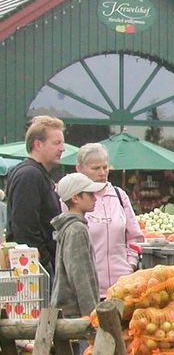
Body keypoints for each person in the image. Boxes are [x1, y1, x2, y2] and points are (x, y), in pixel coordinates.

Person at [72, 143, 144, 297]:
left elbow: (134, 237)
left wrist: (130, 264)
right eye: (96, 168)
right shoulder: (75, 199)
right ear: (80, 169)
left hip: (123, 286)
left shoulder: (119, 195)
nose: (102, 173)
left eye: (105, 167)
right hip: (89, 290)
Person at [5, 116, 65, 275]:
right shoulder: (29, 175)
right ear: (38, 144)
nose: (62, 148)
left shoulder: (36, 174)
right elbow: (24, 227)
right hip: (36, 271)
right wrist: (45, 263)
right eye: (56, 143)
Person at [51, 172, 104, 318]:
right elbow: (81, 276)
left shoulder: (71, 227)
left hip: (68, 311)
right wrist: (92, 315)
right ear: (75, 198)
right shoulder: (77, 229)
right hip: (74, 313)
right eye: (90, 194)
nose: (95, 198)